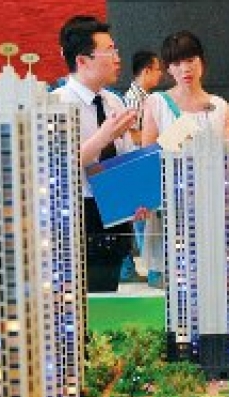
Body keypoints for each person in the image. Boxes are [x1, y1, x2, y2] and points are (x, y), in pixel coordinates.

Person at [141, 30, 229, 287]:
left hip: (214, 206)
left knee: (214, 281)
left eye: (190, 60)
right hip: (173, 207)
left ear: (201, 62)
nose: (185, 68)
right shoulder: (157, 103)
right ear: (168, 68)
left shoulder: (220, 106)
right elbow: (148, 157)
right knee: (177, 285)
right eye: (176, 63)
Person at [54, 16, 138, 292]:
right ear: (82, 60)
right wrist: (103, 137)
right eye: (109, 51)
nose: (117, 59)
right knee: (78, 301)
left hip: (115, 213)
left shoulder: (113, 101)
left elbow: (124, 158)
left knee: (107, 297)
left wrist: (136, 197)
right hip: (79, 214)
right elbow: (57, 166)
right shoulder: (58, 104)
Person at [122, 50, 163, 283]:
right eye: (157, 69)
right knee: (143, 221)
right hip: (137, 166)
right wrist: (156, 136)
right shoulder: (134, 99)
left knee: (144, 220)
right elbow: (131, 135)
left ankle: (149, 269)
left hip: (141, 165)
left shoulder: (145, 97)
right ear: (146, 70)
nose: (160, 74)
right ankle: (153, 270)